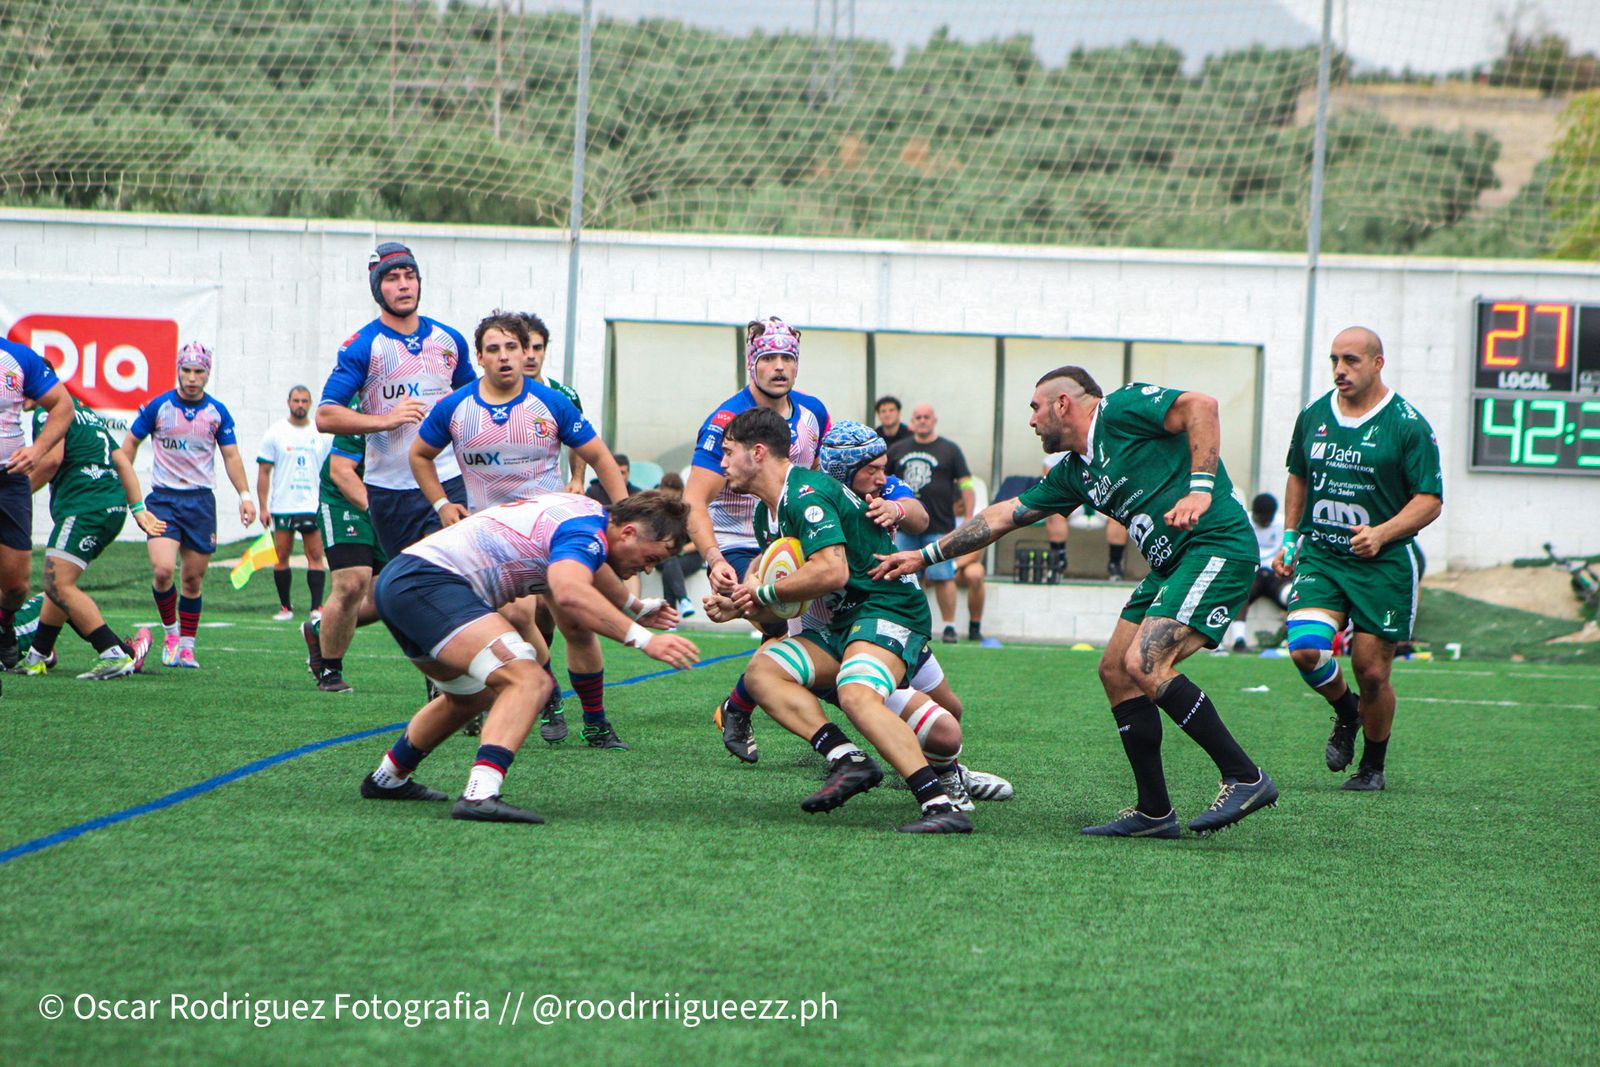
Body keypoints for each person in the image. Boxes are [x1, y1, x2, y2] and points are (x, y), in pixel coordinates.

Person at [876, 367, 1278, 838]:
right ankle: (1153, 812)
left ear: (1062, 403)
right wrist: (923, 555)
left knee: (1145, 662)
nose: (1031, 421)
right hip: (1169, 566)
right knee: (1115, 671)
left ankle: (1244, 776)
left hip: (1215, 544)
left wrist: (1200, 489)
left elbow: (1202, 405)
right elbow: (1004, 515)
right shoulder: (1075, 473)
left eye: (1033, 408)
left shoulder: (1122, 409)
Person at [702, 407, 970, 833]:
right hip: (841, 625)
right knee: (762, 671)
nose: (722, 463)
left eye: (728, 451)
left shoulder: (806, 492)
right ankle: (848, 759)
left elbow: (833, 572)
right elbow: (787, 606)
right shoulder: (764, 514)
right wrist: (741, 606)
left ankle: (940, 803)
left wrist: (762, 591)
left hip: (887, 608)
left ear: (756, 453)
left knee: (878, 699)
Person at [357, 491, 697, 823]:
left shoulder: (590, 517)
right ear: (629, 532)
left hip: (406, 581)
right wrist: (643, 639)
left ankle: (388, 778)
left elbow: (593, 566)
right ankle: (480, 794)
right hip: (430, 584)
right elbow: (568, 591)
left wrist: (634, 608)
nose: (648, 571)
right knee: (530, 679)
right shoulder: (585, 532)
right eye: (652, 559)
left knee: (470, 697)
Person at [412, 311, 630, 746]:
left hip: (551, 531)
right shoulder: (456, 407)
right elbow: (419, 455)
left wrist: (624, 514)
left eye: (513, 347)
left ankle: (596, 721)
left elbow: (602, 457)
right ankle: (548, 694)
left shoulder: (550, 402)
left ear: (526, 352)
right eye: (494, 349)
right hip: (492, 537)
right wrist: (441, 504)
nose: (506, 357)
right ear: (479, 358)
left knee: (577, 622)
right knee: (514, 617)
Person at [1273, 326, 1443, 792]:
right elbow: (1298, 476)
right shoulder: (1313, 416)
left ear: (1378, 363)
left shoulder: (1407, 424)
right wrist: (1291, 539)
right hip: (1324, 557)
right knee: (1307, 649)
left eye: (1350, 360)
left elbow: (1430, 500)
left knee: (1370, 670)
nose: (1339, 370)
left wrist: (1382, 533)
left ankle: (1372, 768)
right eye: (1334, 360)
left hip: (1383, 565)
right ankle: (1347, 713)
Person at [685, 316, 830, 763]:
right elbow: (693, 500)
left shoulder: (814, 413)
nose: (779, 367)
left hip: (789, 535)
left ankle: (739, 706)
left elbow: (818, 479)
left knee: (816, 632)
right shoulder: (727, 419)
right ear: (752, 364)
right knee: (782, 626)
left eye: (787, 357)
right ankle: (809, 733)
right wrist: (713, 559)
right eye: (768, 357)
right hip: (737, 537)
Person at [315, 241, 474, 558]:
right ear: (377, 288)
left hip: (447, 478)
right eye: (392, 278)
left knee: (446, 570)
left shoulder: (449, 340)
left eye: (410, 275)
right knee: (406, 590)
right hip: (390, 489)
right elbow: (326, 416)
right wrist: (384, 420)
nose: (403, 285)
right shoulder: (362, 346)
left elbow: (476, 400)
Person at [122, 342, 256, 669]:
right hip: (164, 501)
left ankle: (187, 646)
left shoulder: (217, 413)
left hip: (199, 503)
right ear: (178, 370)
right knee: (163, 569)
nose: (192, 377)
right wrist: (129, 491)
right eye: (187, 370)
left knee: (193, 580)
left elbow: (231, 455)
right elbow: (129, 446)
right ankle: (170, 633)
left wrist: (245, 496)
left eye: (199, 371)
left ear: (208, 373)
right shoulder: (159, 407)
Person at [22, 394, 160, 678]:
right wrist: (137, 508)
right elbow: (121, 459)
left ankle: (112, 652)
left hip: (84, 506)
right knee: (58, 583)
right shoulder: (86, 414)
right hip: (110, 507)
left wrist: (14, 498)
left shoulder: (47, 412)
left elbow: (51, 461)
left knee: (57, 582)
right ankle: (36, 656)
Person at [0, 336, 74, 669]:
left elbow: (63, 406)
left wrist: (37, 450)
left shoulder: (18, 357)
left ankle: (4, 625)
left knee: (16, 585)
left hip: (9, 478)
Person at [888, 403, 982, 643]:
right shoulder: (898, 449)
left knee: (943, 577)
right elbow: (882, 481)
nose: (922, 421)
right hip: (905, 526)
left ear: (934, 420)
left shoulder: (949, 449)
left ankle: (949, 627)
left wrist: (969, 517)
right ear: (912, 420)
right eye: (918, 417)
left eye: (926, 417)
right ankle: (905, 625)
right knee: (903, 577)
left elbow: (966, 483)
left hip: (940, 526)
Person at [302, 426, 383, 693]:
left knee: (388, 595)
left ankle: (318, 630)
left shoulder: (432, 406)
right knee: (352, 583)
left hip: (389, 495)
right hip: (344, 498)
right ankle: (330, 669)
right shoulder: (364, 407)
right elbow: (340, 470)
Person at [256, 385, 331, 622]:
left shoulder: (321, 433)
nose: (300, 405)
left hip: (312, 503)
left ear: (310, 404)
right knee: (281, 554)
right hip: (283, 504)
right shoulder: (275, 432)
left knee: (315, 555)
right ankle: (285, 607)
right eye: (296, 400)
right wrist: (263, 507)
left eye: (304, 401)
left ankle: (316, 607)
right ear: (289, 402)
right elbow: (264, 471)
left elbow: (332, 470)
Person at [518, 311, 589, 494]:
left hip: (546, 497)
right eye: (525, 348)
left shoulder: (563, 395)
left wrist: (577, 479)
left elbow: (581, 442)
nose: (531, 355)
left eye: (538, 348)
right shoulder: (491, 394)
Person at [1219, 493, 1292, 653]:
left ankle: (1290, 641)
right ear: (1256, 514)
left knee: (1292, 596)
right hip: (1252, 573)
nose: (1266, 521)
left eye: (1269, 518)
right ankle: (1239, 641)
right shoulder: (1245, 521)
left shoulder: (1282, 523)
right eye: (1262, 517)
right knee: (1242, 595)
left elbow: (1290, 552)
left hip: (1275, 575)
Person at [653, 471, 702, 622]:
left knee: (670, 563)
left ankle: (670, 617)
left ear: (681, 493)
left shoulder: (688, 510)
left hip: (688, 556)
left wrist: (680, 550)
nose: (670, 500)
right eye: (666, 496)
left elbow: (699, 540)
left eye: (673, 496)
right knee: (669, 562)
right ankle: (683, 601)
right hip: (663, 556)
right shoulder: (656, 509)